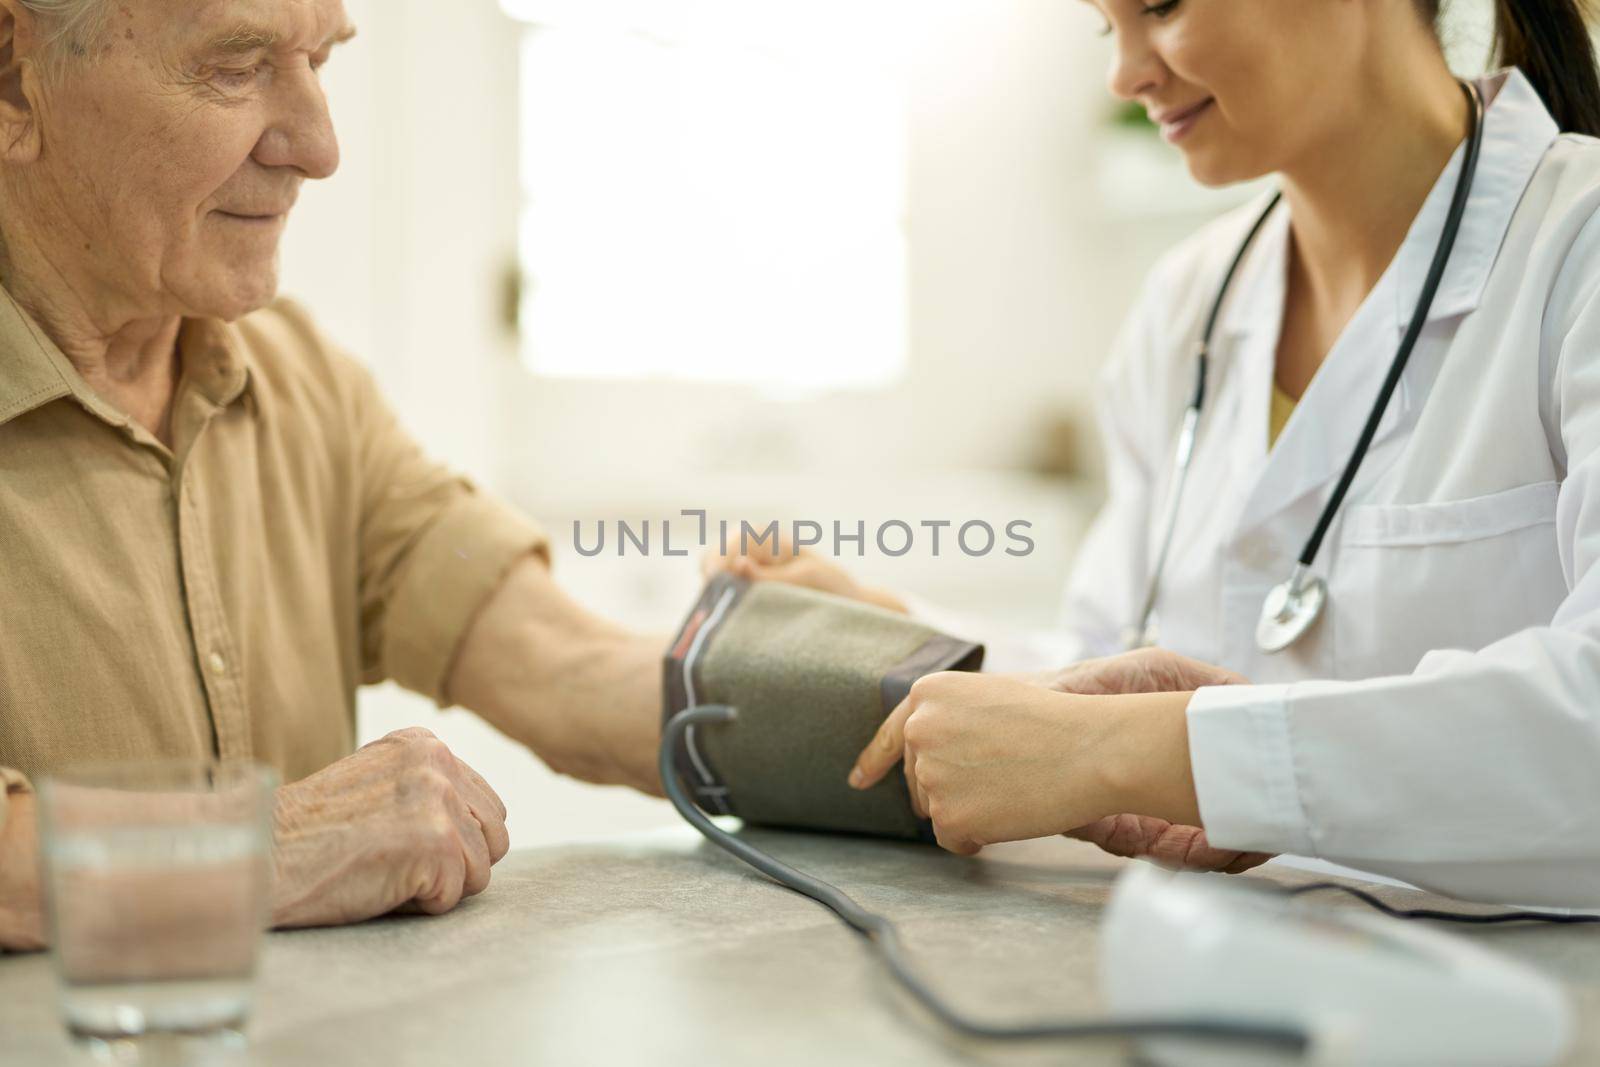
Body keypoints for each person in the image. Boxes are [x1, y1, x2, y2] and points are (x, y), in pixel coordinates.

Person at [710, 0, 1600, 906]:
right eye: (1106, 27)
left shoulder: (1579, 247)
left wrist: (1144, 750)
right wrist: (899, 637)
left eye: (1162, 7)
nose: (1124, 73)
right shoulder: (1187, 305)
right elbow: (1106, 660)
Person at [0, 0, 666, 951]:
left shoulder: (301, 377)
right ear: (14, 79)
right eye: (235, 66)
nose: (318, 147)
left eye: (321, 62)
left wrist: (913, 704)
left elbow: (568, 669)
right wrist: (269, 847)